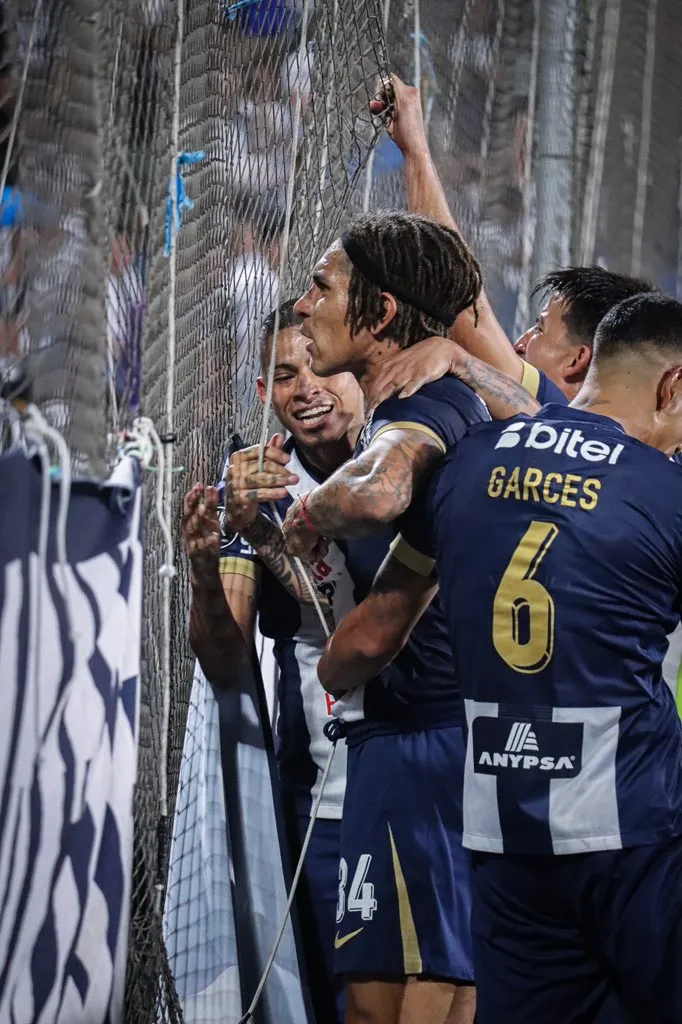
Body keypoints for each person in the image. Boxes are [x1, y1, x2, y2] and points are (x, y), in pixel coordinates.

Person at [319, 292, 682, 1024]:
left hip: (504, 836)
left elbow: (372, 632)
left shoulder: (465, 468)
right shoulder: (664, 492)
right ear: (673, 387)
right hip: (635, 836)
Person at [265, 209, 529, 1024]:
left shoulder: (421, 408)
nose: (306, 306)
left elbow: (380, 486)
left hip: (430, 746)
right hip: (401, 742)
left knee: (432, 995)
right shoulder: (433, 395)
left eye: (323, 287)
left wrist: (316, 513)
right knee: (374, 1001)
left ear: (378, 315)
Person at [184, 299, 367, 1024]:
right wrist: (205, 564)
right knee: (325, 996)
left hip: (424, 778)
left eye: (320, 366)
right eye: (285, 375)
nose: (307, 388)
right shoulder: (256, 480)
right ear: (263, 393)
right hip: (316, 797)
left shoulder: (407, 446)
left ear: (357, 371)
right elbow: (224, 659)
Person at [364, 75, 657, 413]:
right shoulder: (646, 448)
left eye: (540, 329)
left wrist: (414, 147)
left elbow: (461, 303)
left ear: (577, 359)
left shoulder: (552, 407)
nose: (519, 343)